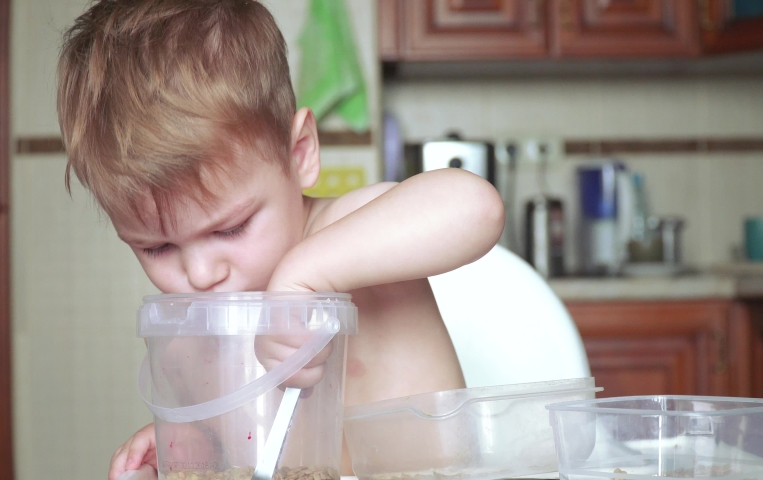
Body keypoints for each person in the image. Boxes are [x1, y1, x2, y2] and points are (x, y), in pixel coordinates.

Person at [57, 1, 504, 479]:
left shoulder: (344, 232)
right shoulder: (192, 343)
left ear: (300, 154)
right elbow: (251, 449)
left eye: (230, 228)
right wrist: (188, 446)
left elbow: (476, 207)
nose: (200, 274)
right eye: (157, 248)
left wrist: (305, 276)